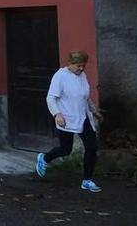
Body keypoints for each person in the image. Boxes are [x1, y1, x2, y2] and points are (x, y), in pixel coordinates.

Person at [35, 50, 104, 192]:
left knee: (92, 147)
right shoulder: (60, 76)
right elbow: (51, 98)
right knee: (66, 149)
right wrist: (57, 114)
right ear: (70, 64)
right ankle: (45, 158)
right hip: (66, 119)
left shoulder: (82, 75)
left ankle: (87, 180)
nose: (81, 69)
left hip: (84, 117)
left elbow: (85, 97)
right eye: (78, 66)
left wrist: (94, 110)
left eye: (83, 66)